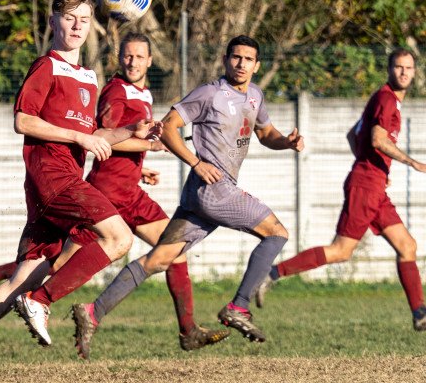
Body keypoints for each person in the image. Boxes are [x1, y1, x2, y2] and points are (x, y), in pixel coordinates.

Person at [0, 0, 161, 383]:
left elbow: (92, 134)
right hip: (52, 175)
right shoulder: (46, 67)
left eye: (84, 19)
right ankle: (41, 302)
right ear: (53, 22)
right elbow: (23, 120)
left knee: (22, 279)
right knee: (118, 239)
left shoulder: (87, 75)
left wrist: (128, 132)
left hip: (60, 180)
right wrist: (81, 139)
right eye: (69, 18)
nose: (77, 26)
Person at [0, 32, 229, 357]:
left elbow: (121, 144)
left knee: (175, 248)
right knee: (61, 263)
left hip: (130, 193)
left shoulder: (143, 93)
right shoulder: (116, 92)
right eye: (127, 56)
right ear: (120, 58)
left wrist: (140, 166)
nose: (133, 62)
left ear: (150, 60)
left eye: (139, 56)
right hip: (105, 191)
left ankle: (188, 330)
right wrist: (150, 145)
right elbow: (103, 137)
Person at [79, 35, 304, 348]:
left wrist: (287, 143)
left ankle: (93, 311)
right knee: (277, 233)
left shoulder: (255, 95)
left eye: (247, 59)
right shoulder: (210, 93)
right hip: (214, 189)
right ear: (226, 60)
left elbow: (266, 133)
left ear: (256, 65)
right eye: (235, 57)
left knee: (159, 259)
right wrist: (196, 163)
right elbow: (169, 126)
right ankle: (238, 307)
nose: (241, 64)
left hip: (199, 197)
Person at [255, 48, 426, 330]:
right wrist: (411, 162)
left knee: (407, 246)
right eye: (398, 67)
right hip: (366, 186)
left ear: (415, 71)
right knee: (340, 250)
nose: (404, 72)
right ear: (389, 69)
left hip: (373, 184)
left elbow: (352, 135)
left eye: (408, 67)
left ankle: (420, 315)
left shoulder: (385, 99)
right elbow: (378, 139)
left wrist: (375, 167)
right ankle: (271, 273)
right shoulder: (386, 98)